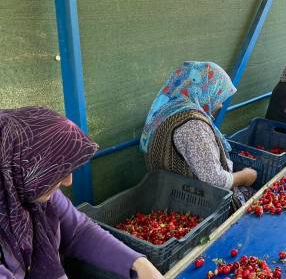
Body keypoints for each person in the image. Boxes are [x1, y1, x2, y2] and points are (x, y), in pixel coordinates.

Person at [0, 106, 162, 279]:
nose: (68, 181)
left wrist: (139, 263)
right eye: (55, 172)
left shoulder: (35, 194)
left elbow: (78, 231)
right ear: (21, 169)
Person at [140, 61, 257, 206]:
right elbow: (215, 181)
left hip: (164, 191)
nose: (220, 105)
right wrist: (246, 176)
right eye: (219, 95)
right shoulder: (193, 125)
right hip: (190, 203)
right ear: (205, 92)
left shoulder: (167, 108)